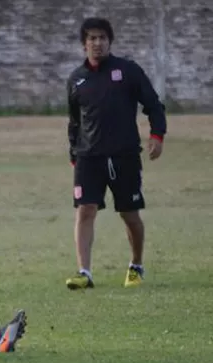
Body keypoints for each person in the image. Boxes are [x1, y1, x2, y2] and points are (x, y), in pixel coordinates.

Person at [65, 17, 167, 290]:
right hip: (88, 158)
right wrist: (74, 152)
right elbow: (75, 121)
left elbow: (154, 105)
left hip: (124, 156)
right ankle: (84, 272)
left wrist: (157, 135)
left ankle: (136, 265)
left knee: (129, 214)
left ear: (109, 41)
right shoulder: (76, 80)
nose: (97, 43)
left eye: (102, 38)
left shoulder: (128, 71)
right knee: (85, 210)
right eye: (92, 38)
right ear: (84, 44)